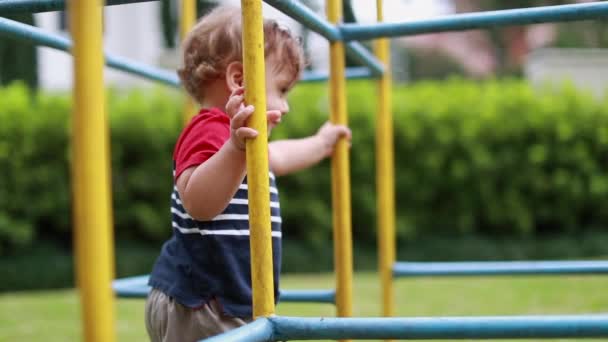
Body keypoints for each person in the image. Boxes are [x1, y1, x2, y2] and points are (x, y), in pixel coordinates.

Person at [145, 5, 351, 342]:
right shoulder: (211, 130)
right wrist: (233, 150)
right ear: (240, 80)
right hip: (200, 303)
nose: (285, 106)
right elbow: (198, 201)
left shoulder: (238, 141)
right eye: (282, 89)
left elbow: (280, 157)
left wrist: (321, 142)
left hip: (221, 301)